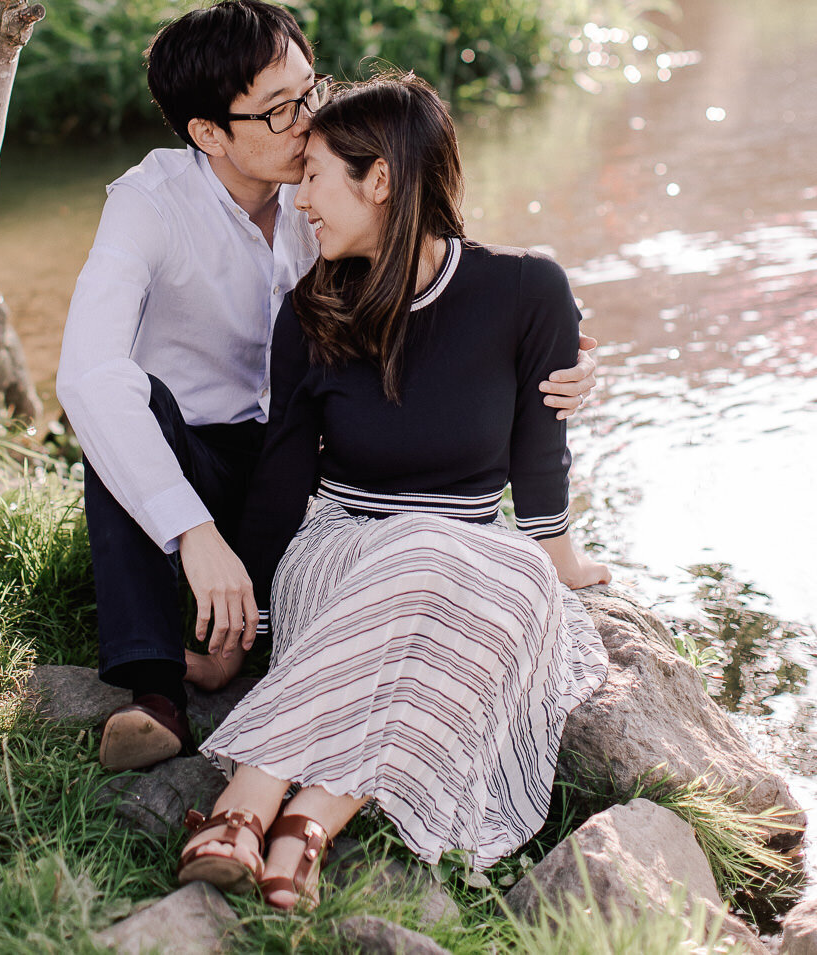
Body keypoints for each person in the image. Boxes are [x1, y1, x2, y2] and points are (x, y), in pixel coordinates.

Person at [56, 2, 599, 773]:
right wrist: (193, 532)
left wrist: (550, 343)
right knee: (121, 405)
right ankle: (155, 689)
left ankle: (271, 640)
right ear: (208, 133)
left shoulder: (325, 185)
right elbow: (86, 371)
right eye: (280, 111)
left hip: (314, 463)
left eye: (310, 91)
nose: (309, 119)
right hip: (201, 457)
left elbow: (436, 256)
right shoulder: (147, 206)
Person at [179, 74, 610, 909]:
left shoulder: (526, 290)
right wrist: (253, 619)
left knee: (514, 574)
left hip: (470, 556)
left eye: (314, 175)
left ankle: (296, 825)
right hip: (342, 551)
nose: (299, 198)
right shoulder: (310, 310)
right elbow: (280, 472)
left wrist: (557, 553)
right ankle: (253, 802)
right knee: (449, 553)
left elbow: (538, 442)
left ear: (378, 180)